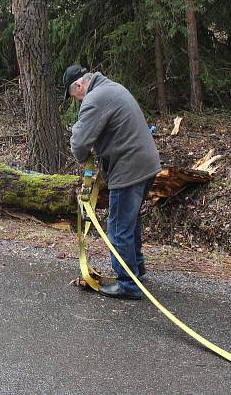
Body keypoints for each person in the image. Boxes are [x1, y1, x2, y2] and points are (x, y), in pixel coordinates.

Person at [63, 64, 161, 300]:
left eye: (73, 96)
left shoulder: (95, 98)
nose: (76, 102)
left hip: (129, 168)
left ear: (78, 85)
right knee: (131, 221)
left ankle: (128, 284)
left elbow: (79, 145)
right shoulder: (112, 88)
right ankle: (137, 271)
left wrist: (78, 139)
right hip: (146, 165)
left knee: (118, 228)